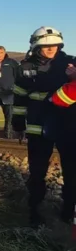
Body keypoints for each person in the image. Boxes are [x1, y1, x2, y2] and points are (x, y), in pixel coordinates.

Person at [12, 26, 73, 225]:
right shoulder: (24, 68)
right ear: (36, 47)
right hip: (37, 127)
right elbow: (19, 98)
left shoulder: (71, 63)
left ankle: (68, 213)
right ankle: (35, 211)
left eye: (54, 45)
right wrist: (18, 123)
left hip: (68, 127)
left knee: (72, 172)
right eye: (46, 46)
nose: (51, 48)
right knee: (37, 172)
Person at [46, 63, 76, 224]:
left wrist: (72, 78)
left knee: (71, 179)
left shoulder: (73, 86)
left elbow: (56, 99)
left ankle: (68, 216)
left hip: (71, 139)